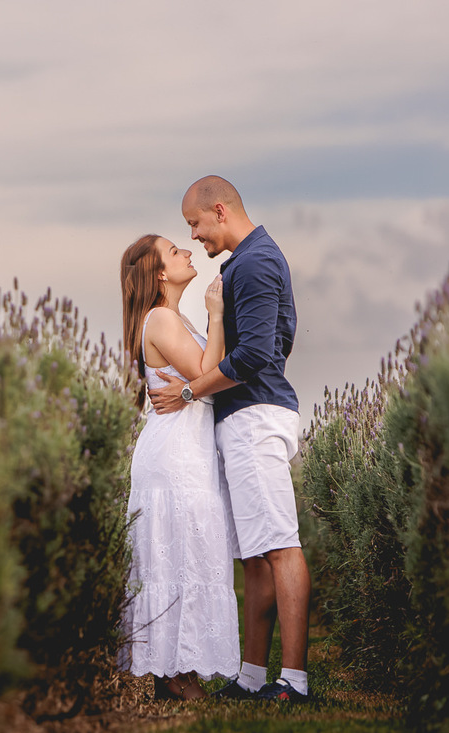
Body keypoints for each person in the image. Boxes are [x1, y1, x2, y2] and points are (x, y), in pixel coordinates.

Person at [149, 176, 311, 703]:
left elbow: (257, 354)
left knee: (280, 545)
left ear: (219, 210)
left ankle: (293, 682)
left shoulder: (256, 262)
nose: (194, 235)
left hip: (255, 419)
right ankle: (250, 677)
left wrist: (190, 391)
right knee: (255, 556)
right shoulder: (244, 263)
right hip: (243, 417)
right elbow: (277, 341)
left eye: (194, 223)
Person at [117, 233, 241, 700]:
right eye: (174, 251)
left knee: (190, 555)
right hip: (174, 456)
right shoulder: (162, 318)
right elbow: (207, 372)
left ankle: (180, 666)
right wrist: (217, 315)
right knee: (180, 556)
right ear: (159, 275)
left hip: (187, 450)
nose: (187, 252)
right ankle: (174, 673)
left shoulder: (172, 317)